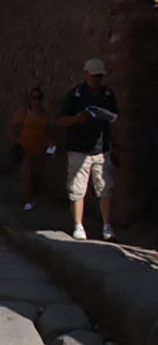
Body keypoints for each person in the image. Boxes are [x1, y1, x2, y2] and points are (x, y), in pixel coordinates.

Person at [58, 58, 119, 241]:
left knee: (105, 187)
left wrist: (115, 146)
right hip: (79, 148)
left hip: (102, 148)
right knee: (77, 188)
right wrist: (78, 118)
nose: (96, 80)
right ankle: (78, 225)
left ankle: (107, 226)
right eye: (93, 76)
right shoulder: (75, 94)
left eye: (99, 76)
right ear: (86, 75)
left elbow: (114, 121)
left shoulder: (108, 95)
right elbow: (61, 120)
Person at [8, 87, 55, 210]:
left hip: (39, 150)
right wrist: (15, 140)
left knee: (38, 175)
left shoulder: (45, 117)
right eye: (34, 98)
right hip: (24, 149)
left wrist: (51, 146)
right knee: (26, 174)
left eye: (39, 98)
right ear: (29, 100)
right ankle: (27, 199)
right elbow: (13, 128)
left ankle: (34, 195)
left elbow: (49, 133)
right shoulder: (22, 114)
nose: (36, 101)